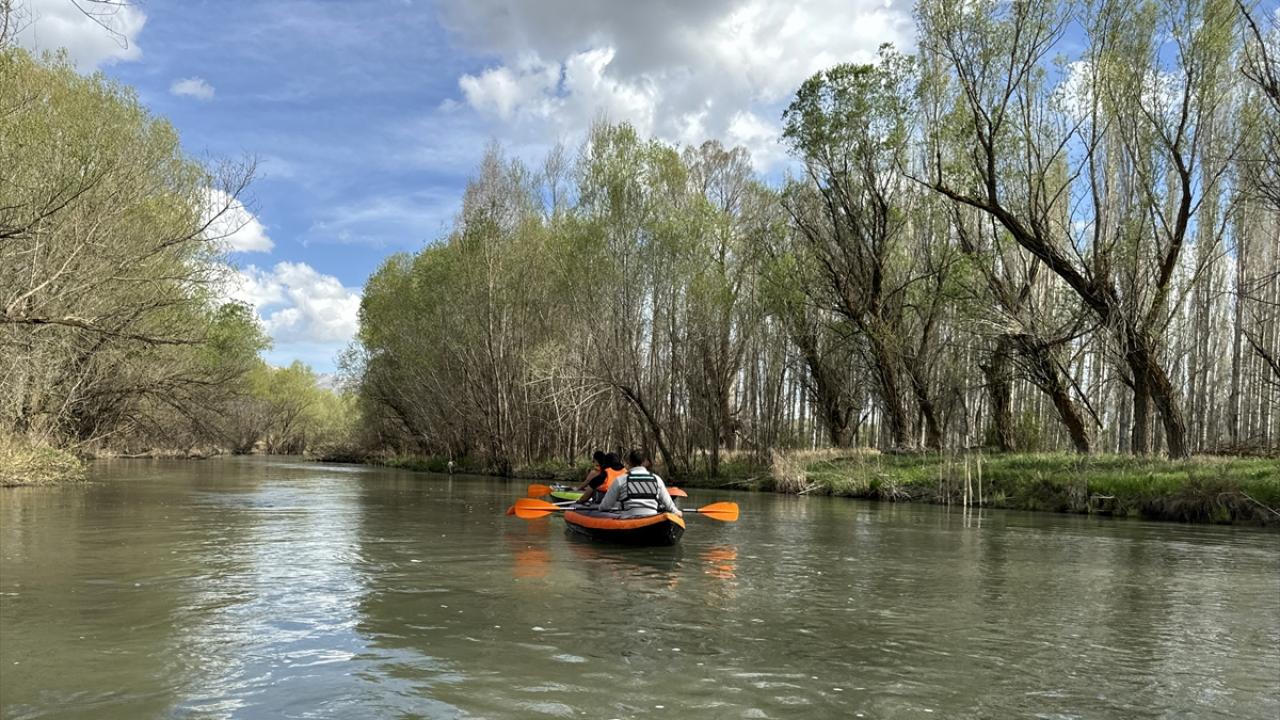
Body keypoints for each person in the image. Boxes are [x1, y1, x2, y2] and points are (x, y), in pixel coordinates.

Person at [596, 449, 681, 517]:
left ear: (630, 462)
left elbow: (605, 506)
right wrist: (676, 511)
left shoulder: (620, 480)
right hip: (652, 517)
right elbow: (670, 506)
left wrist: (600, 508)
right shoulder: (657, 479)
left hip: (628, 519)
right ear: (645, 462)